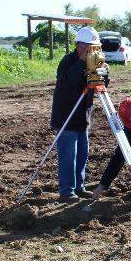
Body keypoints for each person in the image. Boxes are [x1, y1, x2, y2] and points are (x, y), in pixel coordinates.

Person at [50, 26, 106, 202]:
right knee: (68, 158)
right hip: (66, 117)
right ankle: (67, 191)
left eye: (95, 46)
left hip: (83, 117)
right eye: (89, 46)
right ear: (78, 45)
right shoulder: (68, 61)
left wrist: (102, 70)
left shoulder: (95, 61)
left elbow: (103, 83)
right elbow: (70, 81)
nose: (92, 50)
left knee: (82, 155)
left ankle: (79, 187)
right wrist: (82, 62)